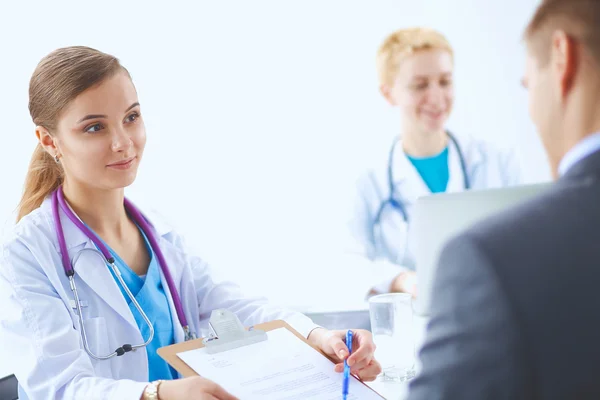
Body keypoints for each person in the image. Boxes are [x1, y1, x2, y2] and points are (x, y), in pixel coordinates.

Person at [0, 46, 381, 400]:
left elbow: (233, 308)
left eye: (131, 117)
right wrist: (157, 394)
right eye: (95, 127)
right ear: (49, 141)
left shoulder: (159, 234)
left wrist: (319, 337)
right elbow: (59, 387)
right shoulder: (27, 254)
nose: (123, 142)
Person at [406, 1, 600, 398]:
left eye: (528, 84)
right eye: (420, 84)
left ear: (562, 56)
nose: (436, 96)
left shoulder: (488, 259)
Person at [347, 27, 521, 297]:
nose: (437, 97)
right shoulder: (369, 179)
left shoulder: (496, 160)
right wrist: (400, 280)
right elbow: (349, 262)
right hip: (408, 323)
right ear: (388, 93)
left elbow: (524, 239)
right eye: (420, 85)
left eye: (445, 82)